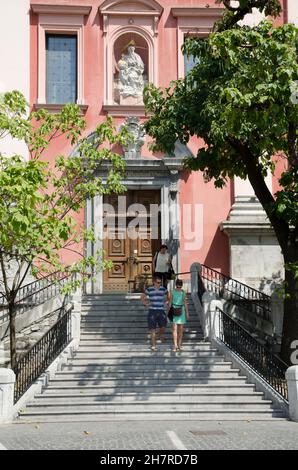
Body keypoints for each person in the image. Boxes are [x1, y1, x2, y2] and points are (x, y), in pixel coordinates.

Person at [141, 275, 169, 351]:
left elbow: (168, 296)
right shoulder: (149, 289)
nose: (159, 284)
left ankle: (159, 335)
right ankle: (153, 345)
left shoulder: (163, 289)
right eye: (158, 282)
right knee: (152, 329)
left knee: (163, 327)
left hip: (161, 310)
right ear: (154, 282)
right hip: (152, 311)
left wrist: (167, 302)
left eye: (160, 282)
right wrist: (145, 303)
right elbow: (142, 296)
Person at [168, 279, 189, 352]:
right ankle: (175, 345)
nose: (179, 288)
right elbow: (170, 302)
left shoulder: (183, 292)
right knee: (174, 329)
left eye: (180, 287)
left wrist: (187, 313)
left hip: (181, 310)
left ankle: (179, 344)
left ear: (182, 286)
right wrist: (168, 311)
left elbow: (185, 302)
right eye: (178, 286)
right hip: (174, 309)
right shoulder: (172, 292)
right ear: (176, 285)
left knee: (181, 330)